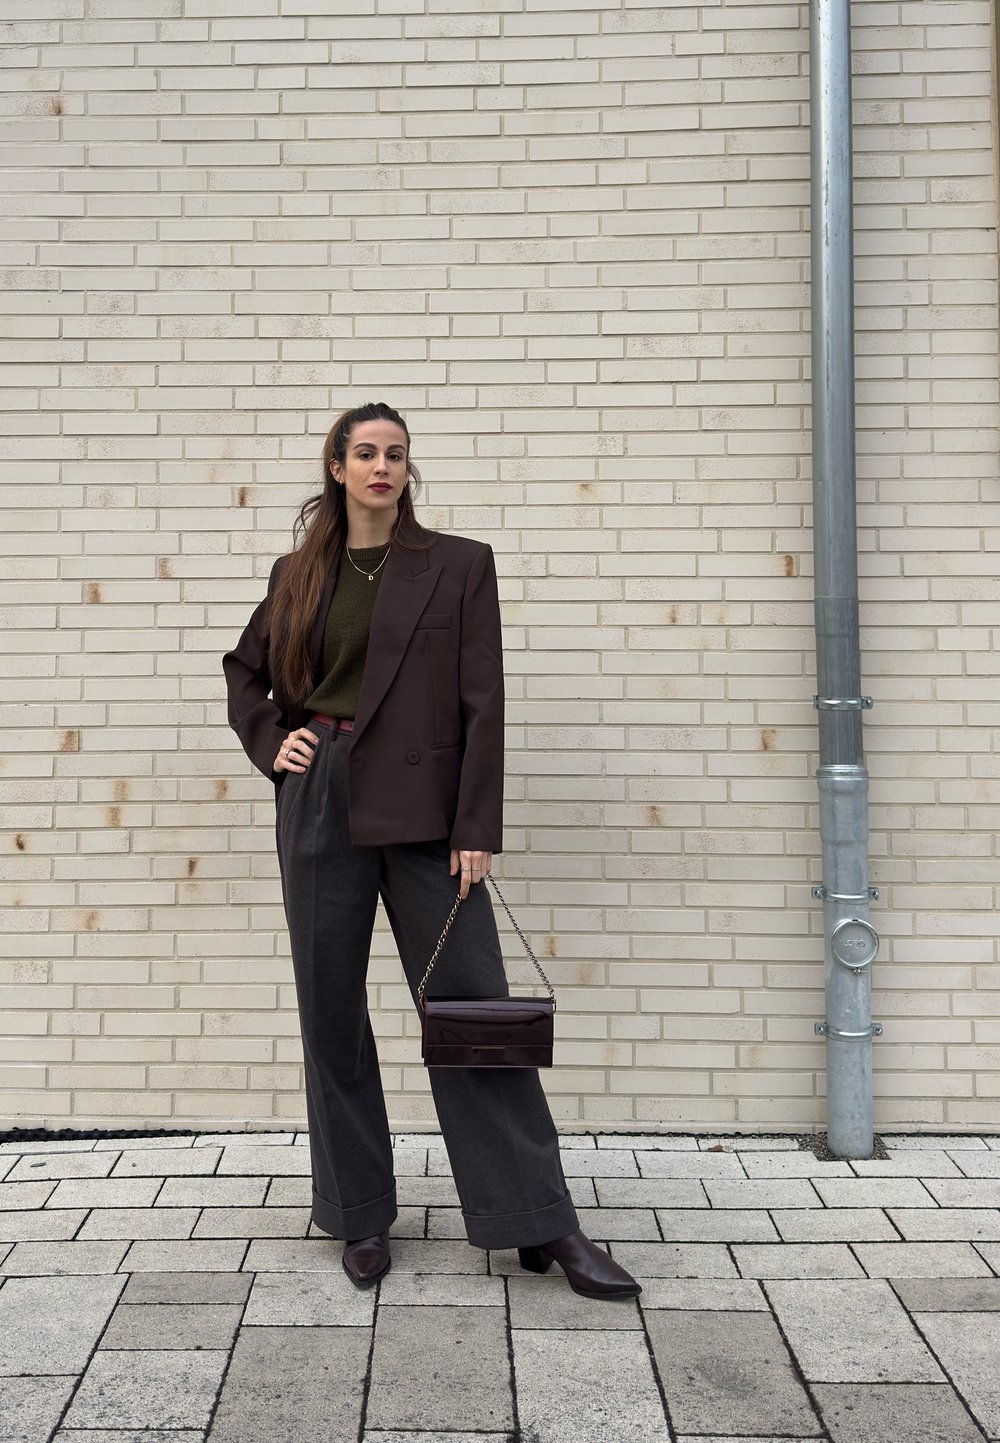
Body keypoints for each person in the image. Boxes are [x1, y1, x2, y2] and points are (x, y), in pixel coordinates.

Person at [222, 400, 640, 1301]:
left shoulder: (457, 564)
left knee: (473, 1019)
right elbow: (244, 670)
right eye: (365, 452)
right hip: (322, 800)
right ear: (336, 466)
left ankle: (540, 1221)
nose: (382, 466)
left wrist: (475, 827)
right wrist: (274, 742)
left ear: (409, 470)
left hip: (426, 815)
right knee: (331, 1017)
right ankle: (360, 1212)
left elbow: (482, 700)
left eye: (396, 454)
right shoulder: (297, 572)